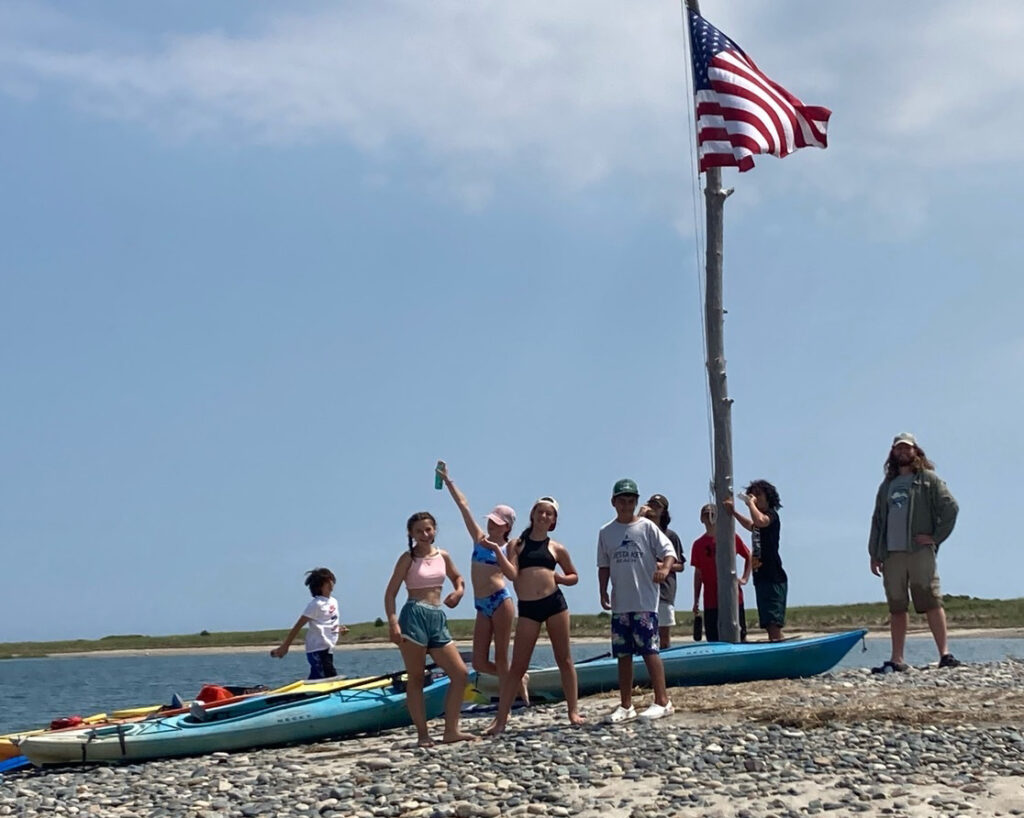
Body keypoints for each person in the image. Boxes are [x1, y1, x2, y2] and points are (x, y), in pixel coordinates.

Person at [484, 496, 585, 735]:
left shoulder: (556, 548)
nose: (543, 517)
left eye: (549, 514)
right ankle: (500, 720)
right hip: (528, 608)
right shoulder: (517, 544)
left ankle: (573, 711)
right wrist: (497, 552)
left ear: (554, 520)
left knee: (565, 659)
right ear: (533, 515)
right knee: (518, 665)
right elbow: (511, 574)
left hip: (554, 604)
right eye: (540, 512)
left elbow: (574, 576)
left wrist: (559, 578)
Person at [436, 462, 528, 704]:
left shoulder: (510, 545)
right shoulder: (479, 538)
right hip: (481, 604)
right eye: (491, 520)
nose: (491, 524)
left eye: (497, 522)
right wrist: (448, 481)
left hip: (500, 601)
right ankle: (519, 679)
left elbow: (512, 574)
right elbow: (463, 507)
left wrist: (497, 550)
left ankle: (512, 698)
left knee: (500, 657)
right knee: (478, 661)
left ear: (507, 526)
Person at [868, 432, 960, 672]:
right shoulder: (887, 486)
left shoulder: (928, 480)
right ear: (893, 452)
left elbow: (951, 507)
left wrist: (935, 537)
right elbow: (878, 520)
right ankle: (897, 659)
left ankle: (945, 654)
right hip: (891, 554)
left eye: (907, 448)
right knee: (897, 606)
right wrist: (874, 553)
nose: (902, 452)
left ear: (915, 451)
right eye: (898, 448)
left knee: (931, 599)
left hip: (919, 551)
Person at [383, 511, 475, 746]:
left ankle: (451, 730)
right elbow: (390, 593)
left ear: (434, 530)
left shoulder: (443, 555)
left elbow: (458, 578)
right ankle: (423, 734)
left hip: (437, 616)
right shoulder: (408, 558)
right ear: (411, 534)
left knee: (460, 673)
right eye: (419, 531)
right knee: (416, 677)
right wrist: (393, 623)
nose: (425, 534)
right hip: (414, 615)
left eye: (428, 529)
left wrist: (458, 592)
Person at [598, 478, 676, 722]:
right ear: (614, 502)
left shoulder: (647, 527)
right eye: (622, 500)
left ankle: (662, 701)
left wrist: (664, 569)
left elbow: (669, 552)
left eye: (631, 501)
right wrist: (602, 590)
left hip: (645, 602)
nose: (626, 505)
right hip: (621, 603)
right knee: (623, 654)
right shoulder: (606, 532)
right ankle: (625, 704)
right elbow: (603, 565)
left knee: (650, 651)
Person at [725, 480, 786, 642]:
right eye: (753, 495)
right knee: (767, 621)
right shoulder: (758, 520)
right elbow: (752, 525)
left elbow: (760, 521)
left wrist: (750, 504)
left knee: (774, 622)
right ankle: (775, 645)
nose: (755, 499)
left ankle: (779, 647)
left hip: (774, 577)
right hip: (760, 577)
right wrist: (734, 512)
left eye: (759, 495)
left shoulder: (772, 515)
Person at [270, 567, 348, 679]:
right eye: (327, 581)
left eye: (331, 579)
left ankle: (302, 695)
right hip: (317, 649)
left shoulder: (334, 602)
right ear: (320, 585)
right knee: (330, 678)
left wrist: (339, 629)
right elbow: (298, 625)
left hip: (328, 649)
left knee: (317, 678)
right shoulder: (316, 604)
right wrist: (285, 646)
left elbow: (327, 623)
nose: (331, 583)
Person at [690, 504, 751, 642]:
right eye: (706, 514)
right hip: (711, 599)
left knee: (740, 635)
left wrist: (744, 578)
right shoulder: (698, 544)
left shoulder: (731, 537)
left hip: (732, 597)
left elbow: (748, 556)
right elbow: (698, 574)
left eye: (712, 513)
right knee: (713, 637)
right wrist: (696, 600)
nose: (709, 516)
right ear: (701, 518)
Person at [640, 494, 686, 649]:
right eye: (650, 504)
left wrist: (663, 566)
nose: (653, 508)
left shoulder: (670, 536)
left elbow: (680, 565)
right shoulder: (641, 533)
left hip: (664, 590)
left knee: (663, 635)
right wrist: (640, 516)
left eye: (657, 506)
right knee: (644, 634)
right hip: (644, 590)